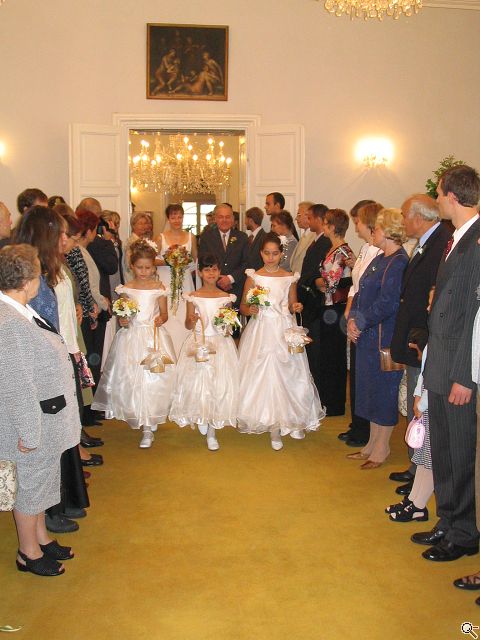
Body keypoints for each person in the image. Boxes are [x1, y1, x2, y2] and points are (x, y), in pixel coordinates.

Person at [0, 244, 80, 576]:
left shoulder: (20, 309)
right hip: (31, 422)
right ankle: (28, 552)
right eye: (38, 273)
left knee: (45, 480)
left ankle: (42, 538)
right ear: (26, 280)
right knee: (30, 487)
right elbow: (16, 384)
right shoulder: (8, 321)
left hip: (47, 415)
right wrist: (30, 434)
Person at [415, 165, 480, 562]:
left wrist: (465, 376)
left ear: (453, 197)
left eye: (439, 193)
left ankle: (464, 533)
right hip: (441, 361)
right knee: (441, 448)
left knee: (458, 453)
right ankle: (449, 519)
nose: (436, 199)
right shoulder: (457, 237)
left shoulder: (477, 241)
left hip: (458, 368)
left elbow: (476, 316)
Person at [14, 206, 90, 532]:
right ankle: (48, 511)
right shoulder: (32, 274)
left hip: (62, 353)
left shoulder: (53, 266)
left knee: (64, 432)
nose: (65, 238)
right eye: (60, 233)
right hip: (45, 363)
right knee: (47, 440)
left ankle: (64, 499)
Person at [237, 233, 325, 450]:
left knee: (290, 372)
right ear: (261, 253)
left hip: (284, 328)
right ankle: (272, 424)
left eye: (275, 253)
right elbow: (243, 306)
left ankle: (293, 417)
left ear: (281, 254)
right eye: (267, 253)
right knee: (265, 373)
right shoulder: (254, 277)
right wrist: (250, 309)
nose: (270, 257)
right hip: (261, 329)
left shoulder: (289, 277)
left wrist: (297, 307)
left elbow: (292, 304)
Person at [389, 194, 451, 493]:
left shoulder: (442, 242)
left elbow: (434, 296)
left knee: (420, 408)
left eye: (404, 214)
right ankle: (415, 467)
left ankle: (420, 473)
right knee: (417, 406)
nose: (402, 220)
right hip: (415, 336)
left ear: (418, 216)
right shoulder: (428, 241)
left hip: (422, 339)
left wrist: (421, 339)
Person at [92, 240, 176, 449]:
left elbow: (164, 314)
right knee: (134, 379)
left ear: (154, 268)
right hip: (131, 338)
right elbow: (123, 314)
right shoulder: (126, 289)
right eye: (140, 267)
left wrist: (160, 319)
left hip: (153, 337)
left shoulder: (159, 288)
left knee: (152, 379)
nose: (144, 272)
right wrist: (123, 320)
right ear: (132, 266)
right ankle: (143, 420)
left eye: (148, 268)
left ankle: (149, 421)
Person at [347, 208, 408, 469]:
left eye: (377, 228)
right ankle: (371, 443)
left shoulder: (399, 261)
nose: (373, 232)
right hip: (367, 336)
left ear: (389, 230)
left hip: (384, 338)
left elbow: (388, 303)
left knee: (384, 392)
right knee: (369, 390)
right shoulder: (380, 258)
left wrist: (360, 321)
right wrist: (352, 319)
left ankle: (382, 447)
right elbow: (360, 291)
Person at [169, 254, 239, 451]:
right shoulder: (193, 296)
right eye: (207, 270)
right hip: (199, 342)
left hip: (220, 344)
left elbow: (229, 326)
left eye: (214, 269)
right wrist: (192, 320)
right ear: (200, 273)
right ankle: (202, 415)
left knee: (217, 384)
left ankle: (212, 430)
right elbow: (188, 324)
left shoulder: (226, 297)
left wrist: (227, 326)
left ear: (219, 272)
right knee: (199, 383)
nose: (211, 273)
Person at [339, 201, 382, 446]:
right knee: (355, 374)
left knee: (365, 377)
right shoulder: (365, 248)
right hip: (355, 315)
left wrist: (357, 317)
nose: (355, 227)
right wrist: (348, 310)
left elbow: (371, 291)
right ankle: (357, 424)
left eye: (358, 222)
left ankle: (363, 429)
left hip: (366, 321)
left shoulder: (379, 252)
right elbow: (355, 285)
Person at [315, 208, 354, 416]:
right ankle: (329, 400)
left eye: (325, 223)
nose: (323, 227)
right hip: (329, 306)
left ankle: (335, 403)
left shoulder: (343, 252)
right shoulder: (334, 249)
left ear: (331, 227)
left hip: (336, 308)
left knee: (334, 356)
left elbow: (331, 283)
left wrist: (318, 281)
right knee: (328, 355)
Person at [297, 204, 331, 394]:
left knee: (316, 351)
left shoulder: (325, 242)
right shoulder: (315, 240)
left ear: (319, 219)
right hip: (308, 300)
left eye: (310, 217)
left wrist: (307, 280)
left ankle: (316, 390)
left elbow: (317, 272)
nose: (307, 221)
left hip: (316, 303)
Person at [155, 203, 198, 356]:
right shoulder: (160, 237)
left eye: (179, 217)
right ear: (168, 218)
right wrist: (169, 261)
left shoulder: (191, 237)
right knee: (167, 311)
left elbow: (195, 261)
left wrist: (183, 261)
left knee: (184, 311)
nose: (177, 220)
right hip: (166, 279)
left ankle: (185, 354)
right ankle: (167, 352)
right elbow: (152, 260)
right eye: (173, 217)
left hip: (184, 281)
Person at [198, 203, 249, 307]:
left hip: (236, 288)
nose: (224, 220)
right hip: (213, 288)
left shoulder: (242, 237)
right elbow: (203, 262)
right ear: (215, 219)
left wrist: (230, 278)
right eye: (221, 217)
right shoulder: (206, 237)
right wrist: (218, 279)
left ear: (233, 219)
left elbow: (247, 262)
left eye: (227, 217)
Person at [123, 211, 154, 282]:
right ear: (133, 226)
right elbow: (129, 264)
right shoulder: (131, 242)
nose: (144, 226)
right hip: (135, 279)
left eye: (145, 223)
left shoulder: (144, 240)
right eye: (140, 224)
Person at [290, 201, 315, 275]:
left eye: (299, 215)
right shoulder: (305, 234)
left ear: (308, 215)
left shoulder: (315, 237)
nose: (296, 218)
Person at [245, 206, 266, 271]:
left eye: (246, 219)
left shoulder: (264, 237)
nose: (245, 223)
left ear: (250, 220)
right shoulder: (249, 237)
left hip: (259, 274)